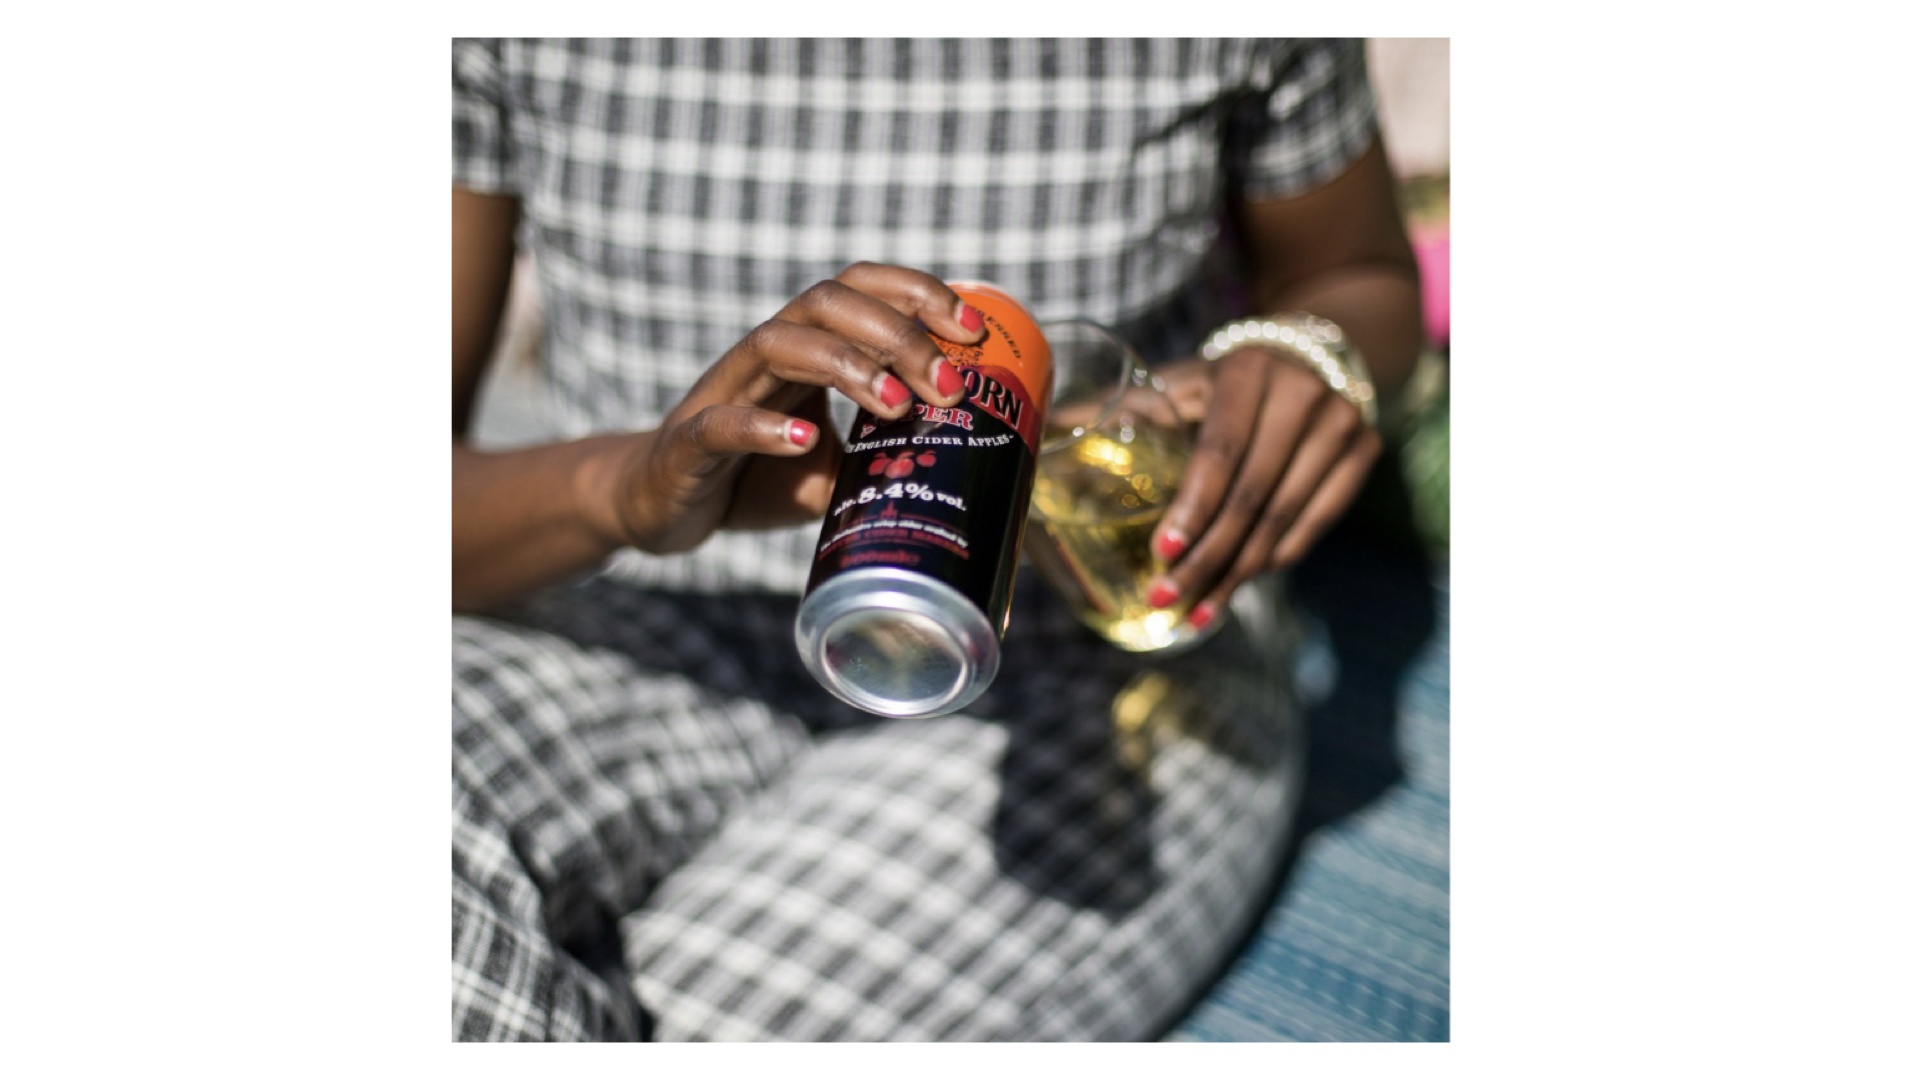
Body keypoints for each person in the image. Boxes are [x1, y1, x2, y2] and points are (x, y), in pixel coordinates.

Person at [452, 38, 1422, 1041]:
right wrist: (625, 489)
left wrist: (1304, 358)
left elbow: (1356, 270)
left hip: (1079, 664)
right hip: (632, 622)